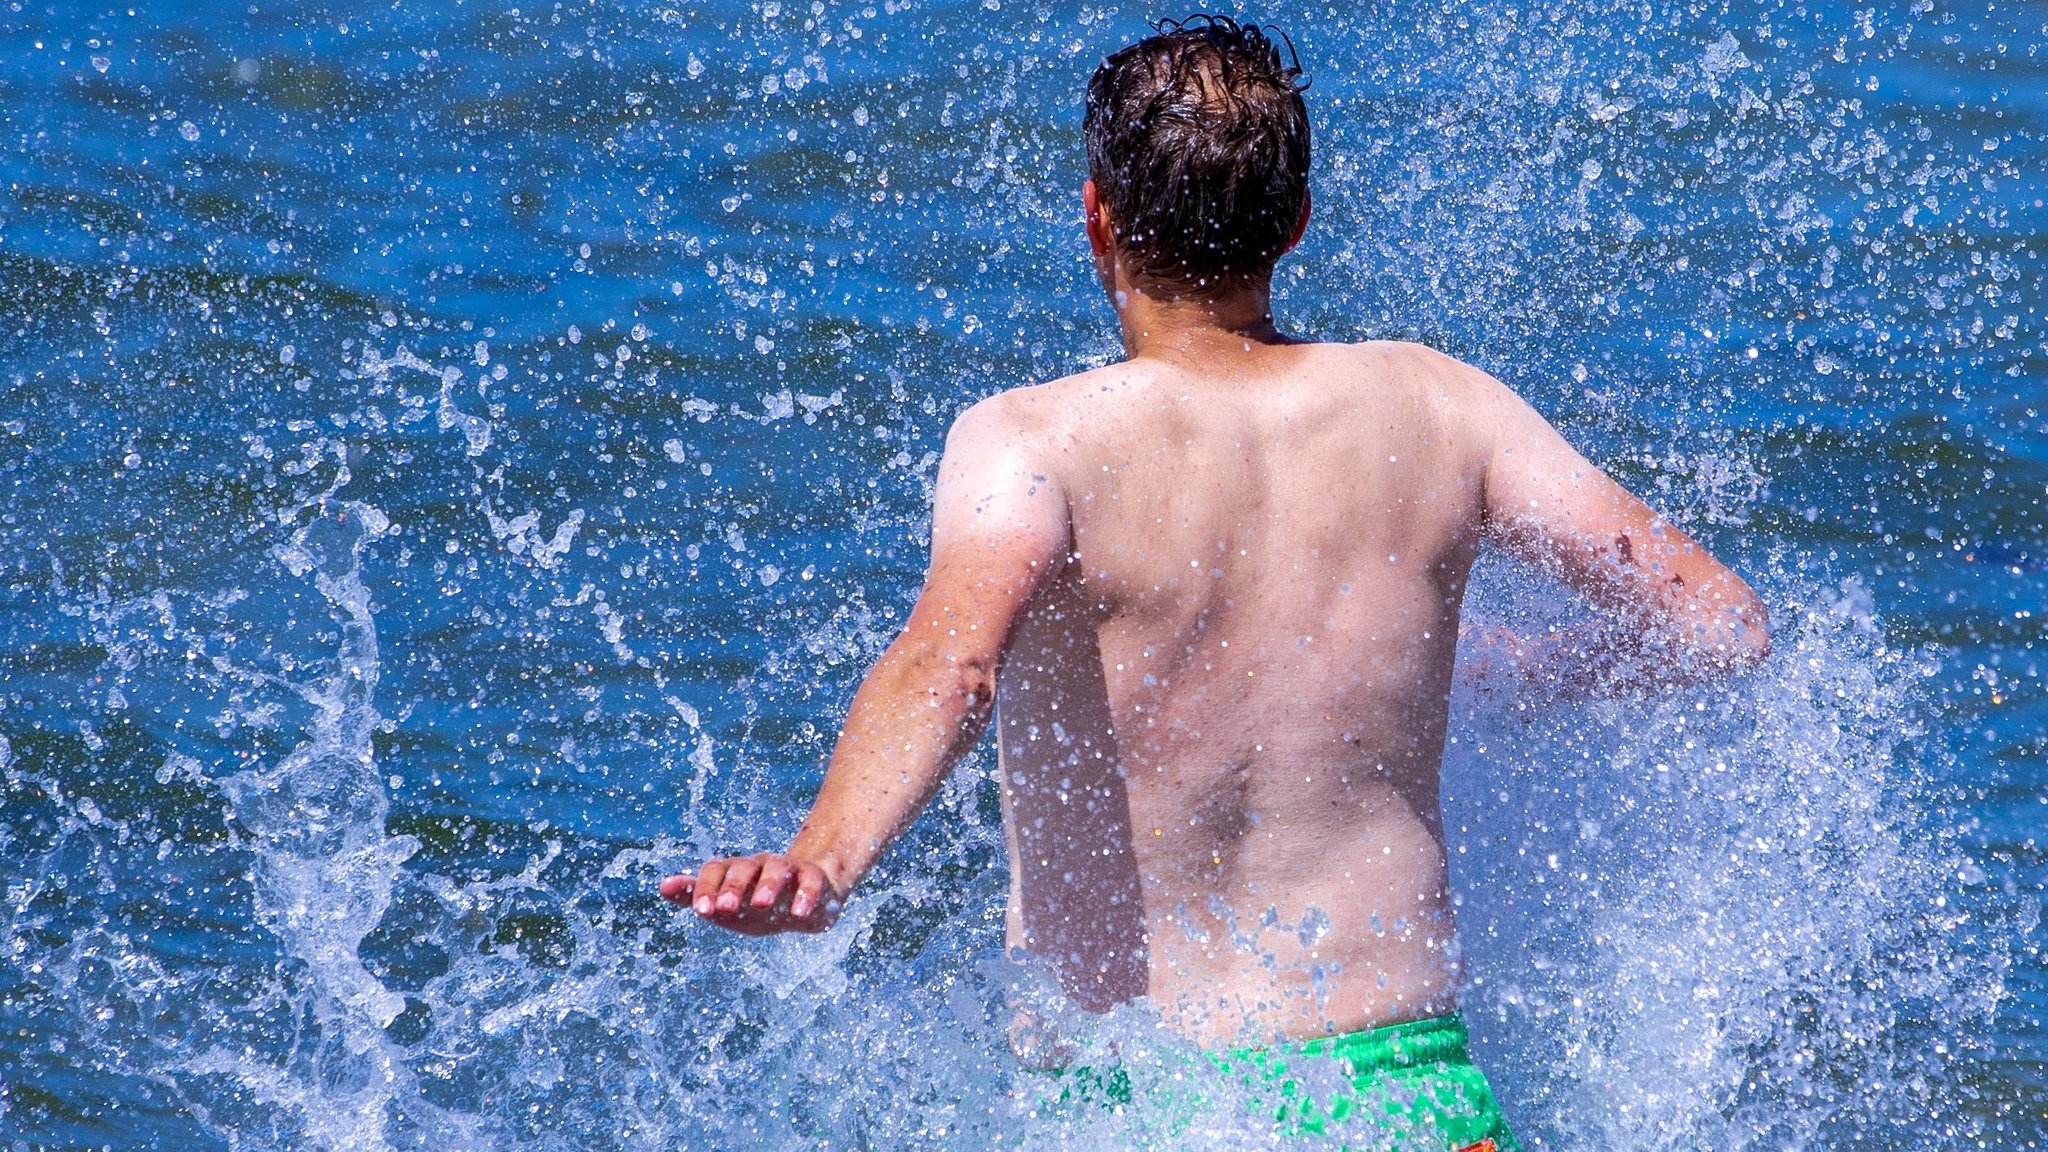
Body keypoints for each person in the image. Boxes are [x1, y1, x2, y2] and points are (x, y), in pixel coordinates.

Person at [661, 15, 1769, 1148]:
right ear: (1293, 222)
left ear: (1096, 217)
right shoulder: (1442, 406)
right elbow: (1720, 625)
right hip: (1412, 1100)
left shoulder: (1032, 442)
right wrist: (1531, 673)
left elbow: (950, 665)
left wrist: (821, 860)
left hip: (1144, 1109)